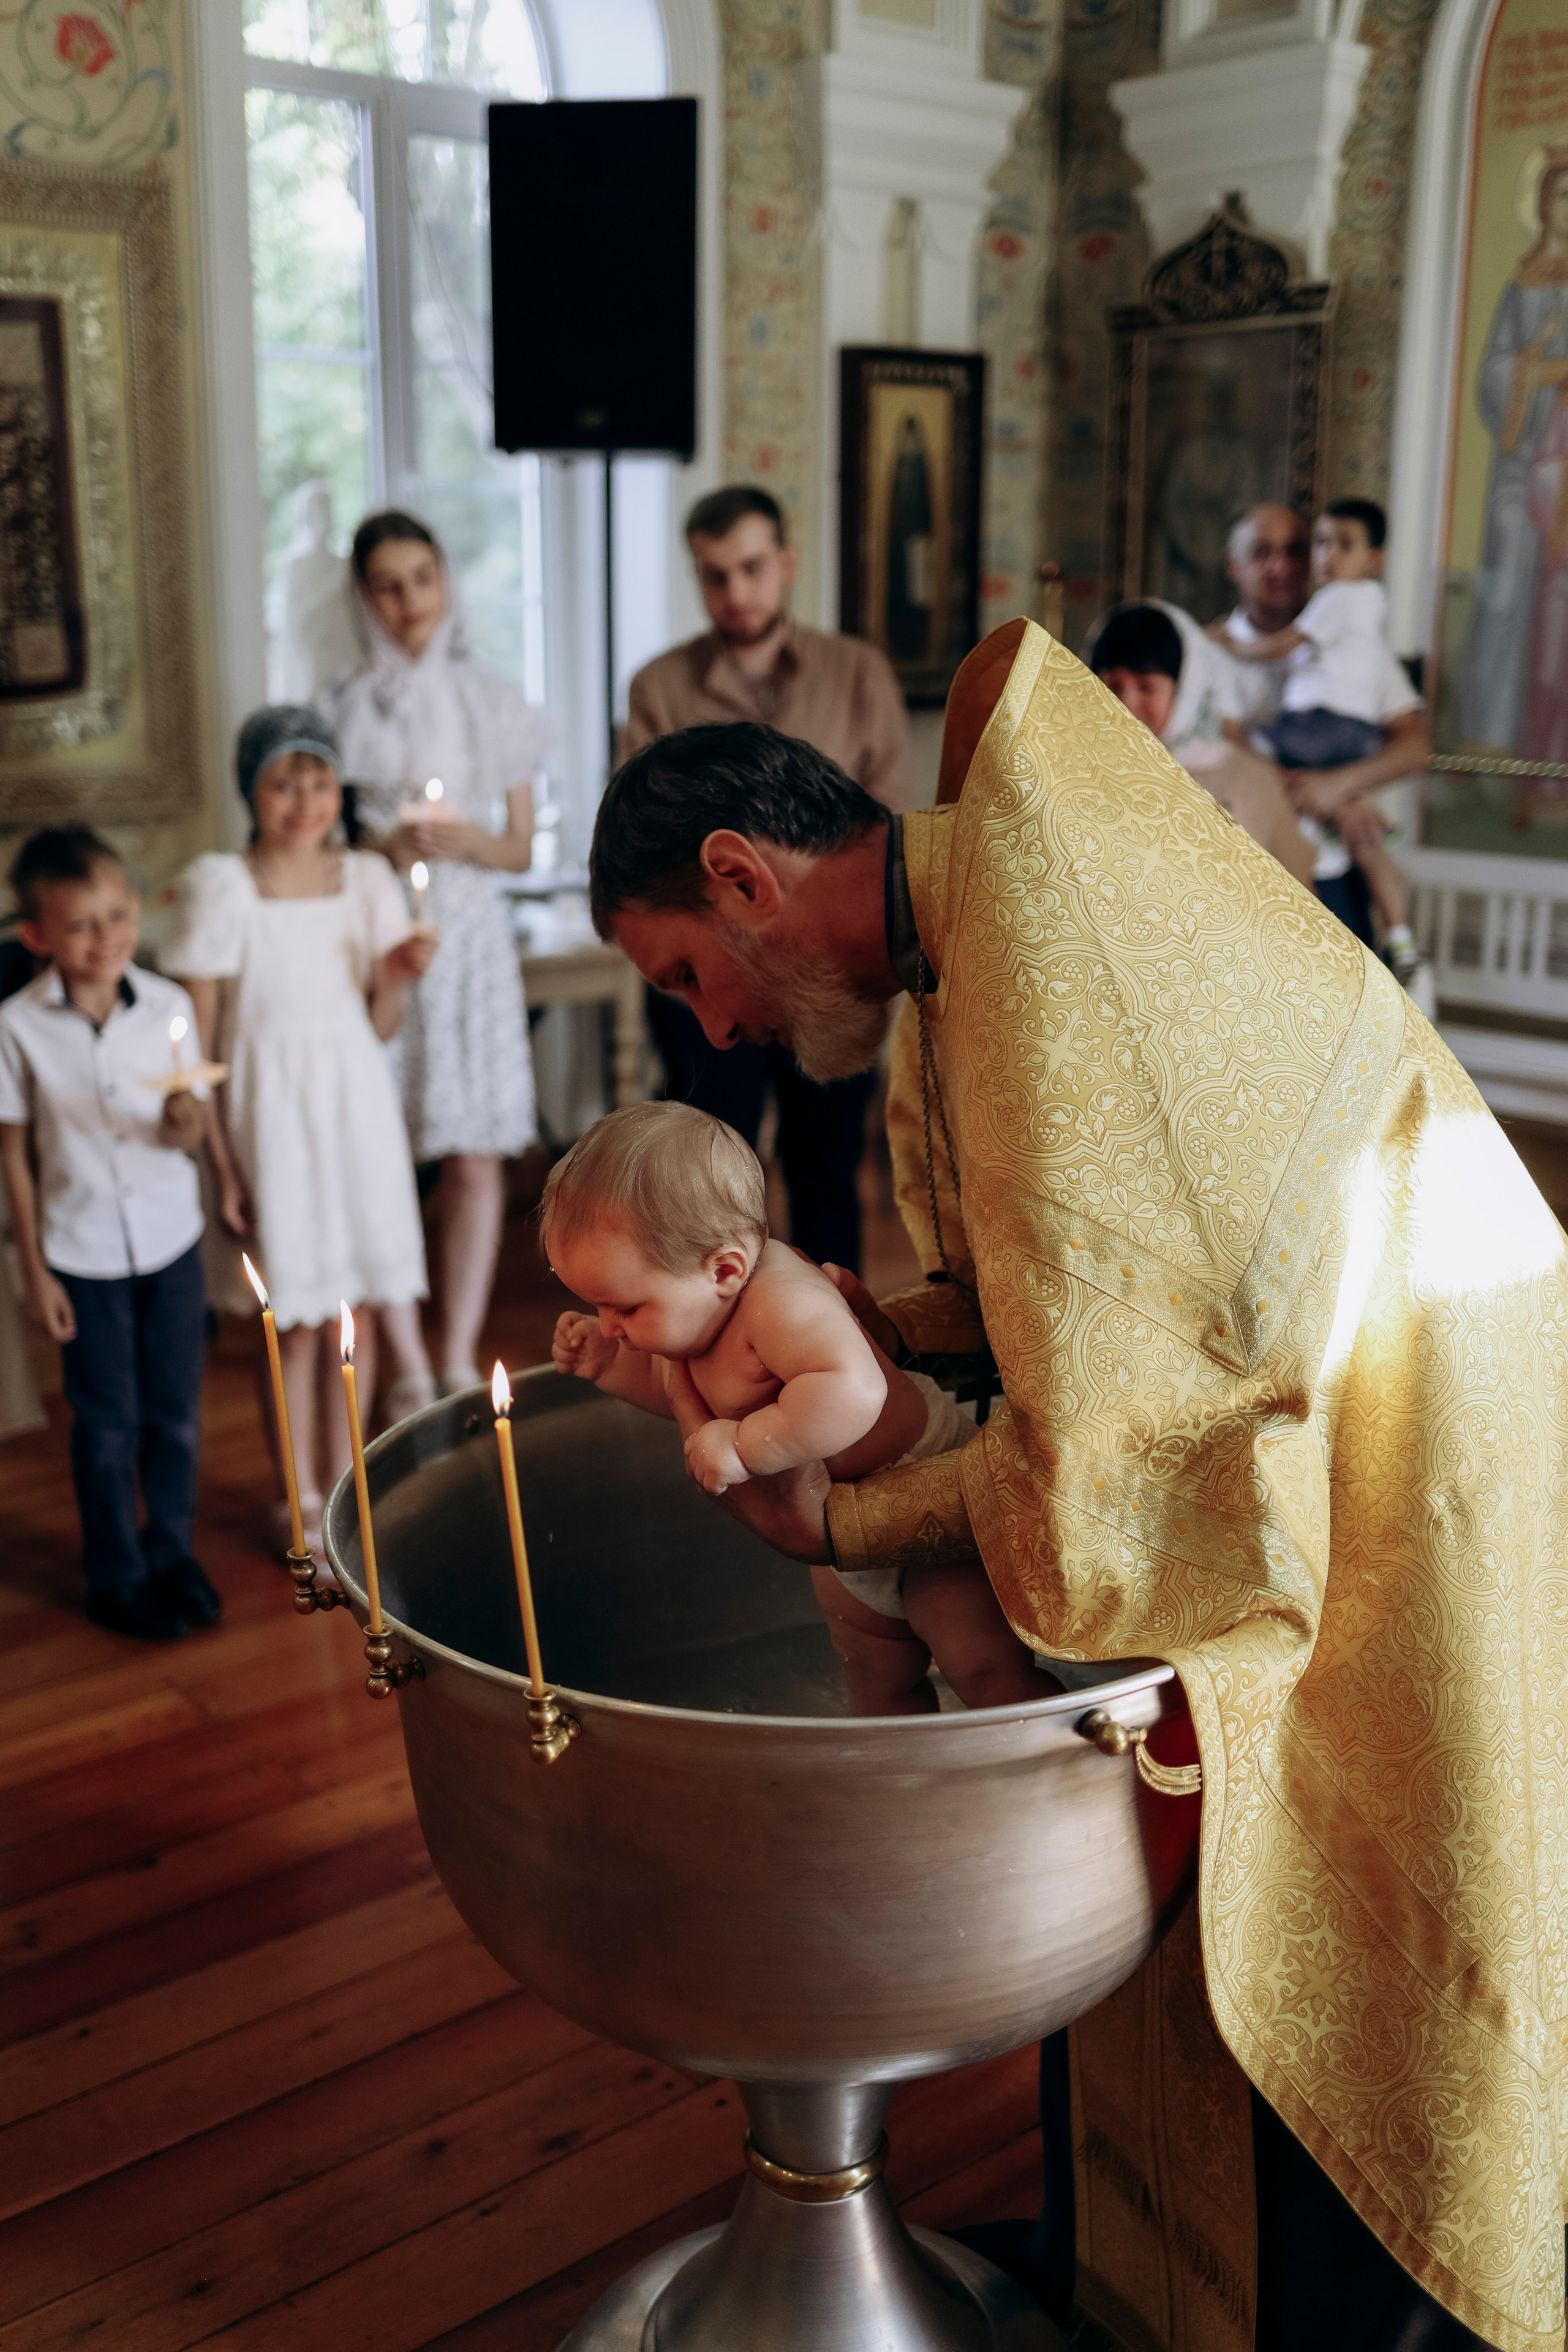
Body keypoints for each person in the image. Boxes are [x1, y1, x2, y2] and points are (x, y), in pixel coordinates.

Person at [586, 631, 1567, 2352]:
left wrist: (837, 1526)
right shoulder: (971, 921)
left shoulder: (1046, 965)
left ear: (742, 878)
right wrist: (851, 1331)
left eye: (686, 975)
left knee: (1359, 1889)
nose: (713, 1026)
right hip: (1358, 1386)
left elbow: (1110, 1452)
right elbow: (1052, 1310)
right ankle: (1141, 2284)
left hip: (1411, 1445)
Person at [545, 1101, 1043, 1714]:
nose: (609, 1324)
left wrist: (744, 1447)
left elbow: (854, 1392)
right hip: (845, 1530)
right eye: (597, 1307)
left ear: (724, 1270)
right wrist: (609, 1365)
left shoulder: (780, 1300)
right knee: (874, 1675)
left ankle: (1054, 1756)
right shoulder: (699, 1312)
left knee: (984, 1672)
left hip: (925, 1500)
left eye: (624, 1308)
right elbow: (675, 1388)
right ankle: (889, 1768)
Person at [164, 708, 435, 1559]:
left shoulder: (366, 879)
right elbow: (199, 1043)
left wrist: (395, 978)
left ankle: (346, 1482)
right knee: (290, 1318)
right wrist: (222, 1165)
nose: (304, 800)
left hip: (353, 1106)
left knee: (353, 1307)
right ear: (253, 791)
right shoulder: (223, 886)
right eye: (284, 783)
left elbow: (381, 1025)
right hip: (268, 1113)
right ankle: (299, 1490)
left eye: (319, 782)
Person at [623, 484, 913, 1275]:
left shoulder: (857, 673)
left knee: (827, 1167)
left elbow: (889, 826)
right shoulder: (659, 688)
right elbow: (640, 846)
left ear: (787, 563)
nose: (735, 591)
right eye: (714, 574)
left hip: (829, 967)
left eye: (751, 567)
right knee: (714, 1175)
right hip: (712, 971)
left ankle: (833, 1324)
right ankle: (722, 1329)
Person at [326, 508, 543, 1403]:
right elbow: (327, 848)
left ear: (445, 581)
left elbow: (519, 848)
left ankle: (456, 1351)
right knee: (378, 1152)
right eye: (387, 586)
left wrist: (464, 841)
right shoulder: (340, 704)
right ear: (363, 598)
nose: (409, 601)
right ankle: (405, 1359)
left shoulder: (492, 698)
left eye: (422, 579)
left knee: (473, 1153)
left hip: (470, 941)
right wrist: (385, 846)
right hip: (378, 933)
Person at [0, 827, 226, 1640]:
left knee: (175, 1414)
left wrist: (186, 1121)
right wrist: (33, 1271)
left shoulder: (168, 1008)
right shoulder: (17, 1026)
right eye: (81, 925)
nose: (107, 938)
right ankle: (116, 1574)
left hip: (171, 1242)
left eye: (118, 915)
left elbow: (186, 1132)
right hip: (81, 1252)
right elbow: (14, 1156)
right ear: (38, 936)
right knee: (106, 1425)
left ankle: (170, 1550)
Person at [1222, 503, 1431, 959]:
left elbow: (1415, 746)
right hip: (1246, 870)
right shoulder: (1213, 650)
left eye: (1293, 551)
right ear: (1234, 565)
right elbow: (1219, 750)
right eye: (1262, 553)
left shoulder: (1357, 647)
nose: (1281, 566)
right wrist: (1336, 803)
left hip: (1336, 870)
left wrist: (1340, 786)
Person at [1086, 601, 1317, 884]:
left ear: (1184, 689)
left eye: (1147, 688)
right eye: (1112, 686)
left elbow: (1300, 898)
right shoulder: (1077, 769)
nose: (1126, 704)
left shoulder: (1249, 782)